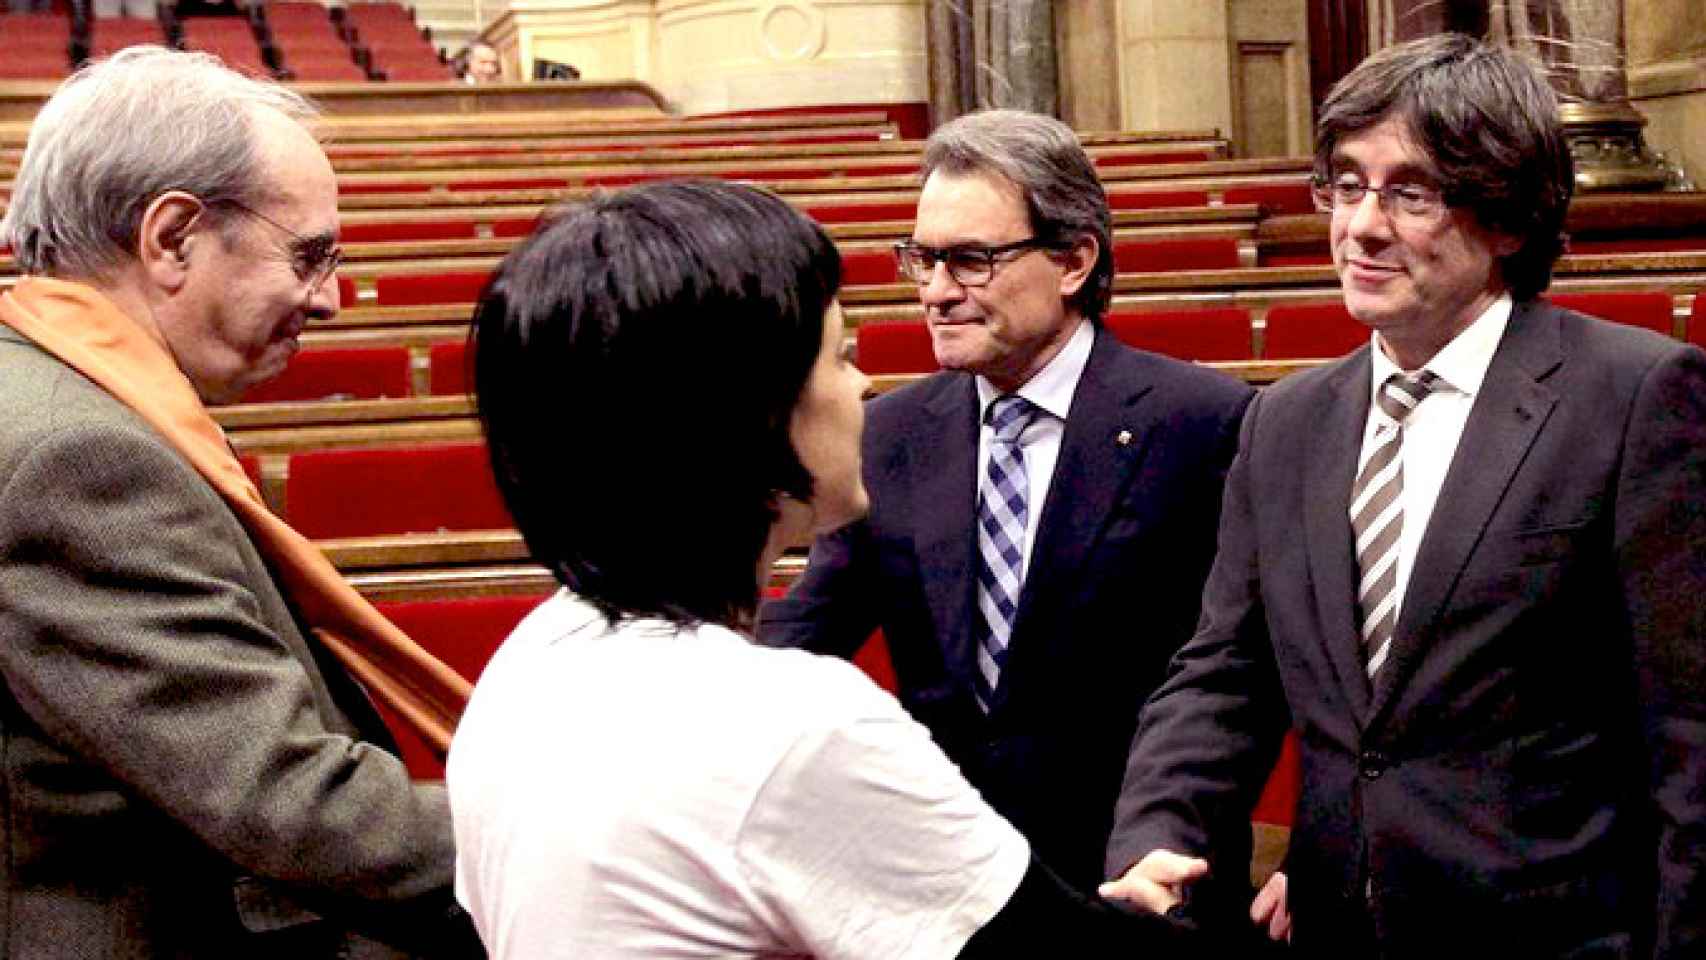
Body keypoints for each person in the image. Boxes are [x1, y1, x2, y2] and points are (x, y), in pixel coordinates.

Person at [447, 179, 1191, 959]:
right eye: (838, 356)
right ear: (753, 413)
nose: (863, 385)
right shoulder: (790, 722)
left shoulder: (532, 655)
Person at [1101, 33, 1706, 957]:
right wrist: (1157, 834)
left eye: (1410, 193)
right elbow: (1223, 672)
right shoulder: (1286, 421)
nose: (1362, 226)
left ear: (1507, 218)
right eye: (1346, 186)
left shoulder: (1635, 400)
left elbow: (1690, 735)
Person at [0, 47, 478, 958]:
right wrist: (583, 848)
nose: (331, 299)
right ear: (172, 237)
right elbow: (290, 804)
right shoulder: (78, 456)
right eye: (308, 256)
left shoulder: (51, 387)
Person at [757, 109, 1256, 902]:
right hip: (953, 885)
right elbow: (806, 629)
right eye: (921, 259)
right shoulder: (887, 433)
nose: (936, 292)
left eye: (971, 260)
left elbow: (1244, 671)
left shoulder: (1201, 422)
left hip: (1144, 876)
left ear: (1073, 260)